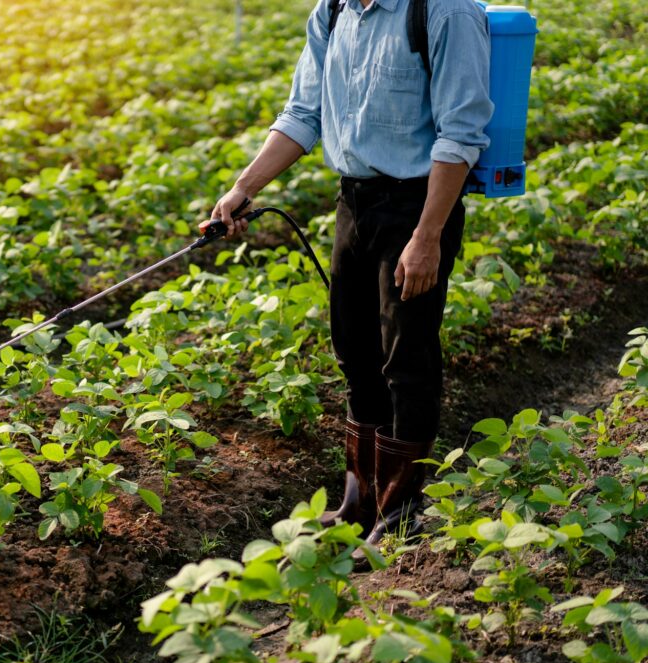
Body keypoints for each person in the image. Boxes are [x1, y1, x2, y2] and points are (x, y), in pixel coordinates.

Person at [202, 0, 493, 561]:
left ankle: (401, 512)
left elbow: (461, 133)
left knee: (406, 357)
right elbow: (302, 113)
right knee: (355, 350)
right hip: (354, 202)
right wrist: (244, 187)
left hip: (418, 206)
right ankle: (358, 503)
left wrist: (428, 235)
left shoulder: (445, 12)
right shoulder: (333, 11)